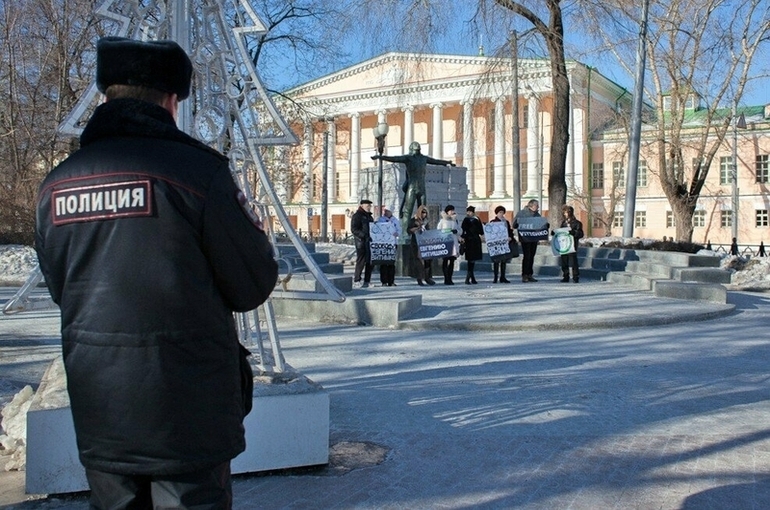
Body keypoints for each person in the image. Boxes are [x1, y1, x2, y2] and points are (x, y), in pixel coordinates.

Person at [34, 37, 278, 508]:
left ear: (107, 95)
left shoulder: (57, 184)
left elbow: (62, 288)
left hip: (101, 402)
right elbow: (252, 284)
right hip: (187, 408)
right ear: (172, 101)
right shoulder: (199, 174)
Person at [371, 141, 454, 224]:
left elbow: (436, 161)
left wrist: (447, 163)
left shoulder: (422, 158)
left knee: (422, 211)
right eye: (416, 151)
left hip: (420, 188)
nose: (416, 153)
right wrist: (380, 157)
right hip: (413, 188)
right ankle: (406, 232)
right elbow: (394, 158)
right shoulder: (410, 158)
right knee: (408, 211)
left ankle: (423, 228)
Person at [514, 199, 544, 283]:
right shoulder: (522, 213)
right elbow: (514, 224)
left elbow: (540, 225)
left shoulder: (537, 215)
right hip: (525, 238)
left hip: (534, 238)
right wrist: (517, 224)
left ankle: (530, 274)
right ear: (531, 206)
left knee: (532, 256)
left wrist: (545, 226)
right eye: (536, 205)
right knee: (527, 256)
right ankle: (524, 274)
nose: (538, 207)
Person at [407, 205, 435, 286]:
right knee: (419, 261)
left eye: (425, 213)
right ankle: (419, 278)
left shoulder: (426, 221)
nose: (424, 214)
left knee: (428, 260)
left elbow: (430, 231)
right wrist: (417, 228)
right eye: (423, 213)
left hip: (426, 243)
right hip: (416, 243)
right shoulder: (414, 220)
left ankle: (427, 277)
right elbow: (408, 230)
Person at [351, 199, 374, 288]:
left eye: (370, 206)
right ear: (362, 206)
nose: (369, 207)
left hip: (370, 242)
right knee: (361, 261)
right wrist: (364, 235)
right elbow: (354, 229)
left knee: (370, 262)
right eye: (367, 205)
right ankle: (357, 280)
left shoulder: (369, 217)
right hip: (361, 242)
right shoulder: (357, 216)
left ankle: (367, 281)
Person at [558, 205, 584, 283]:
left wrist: (574, 232)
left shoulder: (577, 223)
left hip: (572, 244)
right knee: (564, 260)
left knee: (573, 260)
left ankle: (575, 276)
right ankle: (566, 275)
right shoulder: (563, 223)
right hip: (564, 244)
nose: (565, 214)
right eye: (564, 213)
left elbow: (580, 233)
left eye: (566, 212)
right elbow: (561, 231)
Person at [436, 204, 461, 285]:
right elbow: (439, 231)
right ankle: (446, 278)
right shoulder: (443, 221)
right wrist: (448, 231)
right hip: (446, 242)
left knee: (452, 261)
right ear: (447, 212)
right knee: (445, 260)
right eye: (451, 210)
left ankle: (450, 278)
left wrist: (456, 231)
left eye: (453, 210)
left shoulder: (455, 220)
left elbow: (459, 230)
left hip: (453, 243)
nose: (452, 212)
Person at [376, 205, 399, 286]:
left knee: (391, 263)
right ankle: (384, 281)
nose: (385, 212)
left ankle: (391, 281)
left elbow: (399, 230)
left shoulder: (395, 220)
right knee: (384, 263)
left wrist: (397, 233)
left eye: (387, 211)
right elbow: (378, 229)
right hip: (383, 243)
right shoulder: (381, 220)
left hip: (393, 244)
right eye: (385, 211)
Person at [489, 205, 513, 283]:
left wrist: (510, 237)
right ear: (497, 213)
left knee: (504, 261)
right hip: (496, 244)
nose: (501, 214)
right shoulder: (493, 222)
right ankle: (495, 277)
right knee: (496, 261)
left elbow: (509, 231)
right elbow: (490, 232)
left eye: (502, 212)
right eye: (500, 212)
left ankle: (503, 277)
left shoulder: (506, 222)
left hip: (504, 243)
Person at [460, 205, 484, 284]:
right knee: (470, 260)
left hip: (475, 241)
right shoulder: (466, 220)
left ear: (473, 212)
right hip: (469, 241)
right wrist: (462, 238)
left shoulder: (477, 219)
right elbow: (463, 230)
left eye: (470, 212)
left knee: (473, 260)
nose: (468, 213)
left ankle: (472, 278)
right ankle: (468, 278)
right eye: (468, 211)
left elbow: (481, 231)